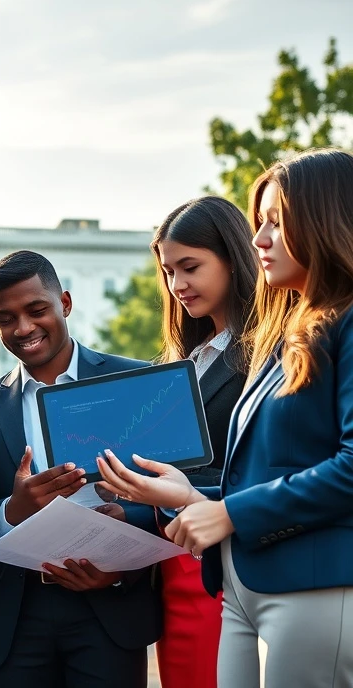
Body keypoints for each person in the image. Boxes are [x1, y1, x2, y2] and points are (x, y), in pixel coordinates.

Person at [97, 149, 353, 687]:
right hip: (237, 579)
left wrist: (226, 511)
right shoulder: (288, 340)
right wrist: (183, 496)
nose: (259, 238)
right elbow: (253, 472)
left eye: (275, 223)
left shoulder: (327, 332)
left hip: (304, 576)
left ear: (325, 221)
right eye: (259, 223)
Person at [0, 250, 161, 688]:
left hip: (110, 608)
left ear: (64, 303)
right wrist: (15, 509)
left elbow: (172, 497)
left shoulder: (133, 382)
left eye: (36, 310)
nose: (24, 328)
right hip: (16, 617)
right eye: (6, 318)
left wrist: (125, 539)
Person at [149, 195, 258, 688]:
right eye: (169, 272)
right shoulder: (183, 361)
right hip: (172, 560)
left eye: (190, 267)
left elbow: (259, 464)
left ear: (234, 259)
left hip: (227, 558)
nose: (177, 286)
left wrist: (180, 487)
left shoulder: (265, 353)